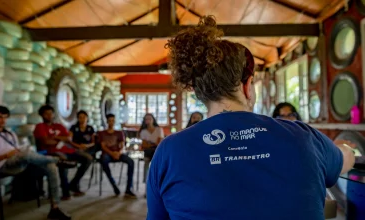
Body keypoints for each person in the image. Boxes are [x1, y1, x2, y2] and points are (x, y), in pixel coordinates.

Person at [146, 16, 356, 220]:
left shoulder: (169, 151)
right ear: (247, 86)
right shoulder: (304, 137)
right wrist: (341, 148)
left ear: (200, 93)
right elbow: (346, 159)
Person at [0, 106, 71, 220]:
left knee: (50, 166)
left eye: (5, 117)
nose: (3, 120)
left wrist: (20, 151)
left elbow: (19, 151)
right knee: (26, 153)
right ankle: (58, 160)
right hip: (2, 165)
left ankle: (55, 208)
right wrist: (6, 155)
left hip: (19, 162)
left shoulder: (10, 134)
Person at [33, 105, 92, 200]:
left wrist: (55, 138)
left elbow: (68, 138)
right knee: (63, 161)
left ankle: (73, 183)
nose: (49, 116)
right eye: (46, 114)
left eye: (51, 113)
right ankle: (65, 191)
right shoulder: (40, 127)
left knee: (88, 158)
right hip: (50, 152)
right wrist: (61, 140)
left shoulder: (58, 126)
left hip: (66, 150)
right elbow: (46, 142)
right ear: (42, 115)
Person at [97, 114, 136, 198]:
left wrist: (118, 153)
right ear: (107, 121)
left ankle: (128, 189)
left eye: (113, 120)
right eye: (109, 120)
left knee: (131, 161)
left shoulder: (119, 133)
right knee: (103, 161)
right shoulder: (102, 133)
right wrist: (112, 153)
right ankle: (113, 184)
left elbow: (122, 145)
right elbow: (103, 146)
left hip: (118, 153)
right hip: (107, 154)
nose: (111, 122)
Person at [138, 113, 164, 183]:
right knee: (146, 162)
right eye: (146, 119)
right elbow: (144, 145)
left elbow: (159, 143)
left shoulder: (159, 130)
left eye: (150, 119)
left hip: (158, 151)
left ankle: (159, 181)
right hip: (148, 152)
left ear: (153, 120)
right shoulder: (143, 131)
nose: (148, 120)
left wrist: (149, 143)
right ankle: (146, 182)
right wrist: (153, 144)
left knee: (158, 162)